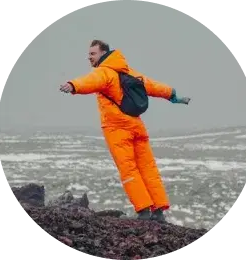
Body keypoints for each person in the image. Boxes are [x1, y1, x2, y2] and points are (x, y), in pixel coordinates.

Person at [60, 40, 191, 223]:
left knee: (129, 169)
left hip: (117, 129)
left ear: (103, 54)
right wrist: (173, 95)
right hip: (137, 126)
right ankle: (159, 211)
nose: (89, 57)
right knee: (148, 168)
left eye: (92, 54)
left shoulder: (104, 72)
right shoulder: (129, 72)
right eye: (89, 54)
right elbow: (152, 85)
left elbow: (91, 81)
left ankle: (144, 211)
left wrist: (73, 85)